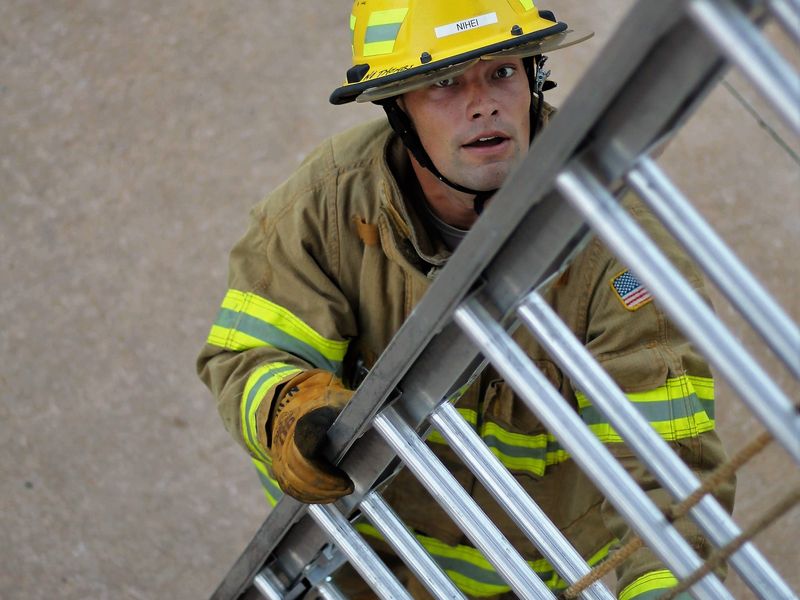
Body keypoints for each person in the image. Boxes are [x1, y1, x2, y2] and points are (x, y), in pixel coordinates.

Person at [197, 2, 734, 598]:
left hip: (542, 577)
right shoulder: (326, 209)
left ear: (534, 76)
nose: (483, 104)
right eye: (445, 82)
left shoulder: (618, 247)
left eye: (502, 71)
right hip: (368, 569)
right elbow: (248, 354)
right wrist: (286, 409)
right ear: (397, 106)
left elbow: (667, 482)